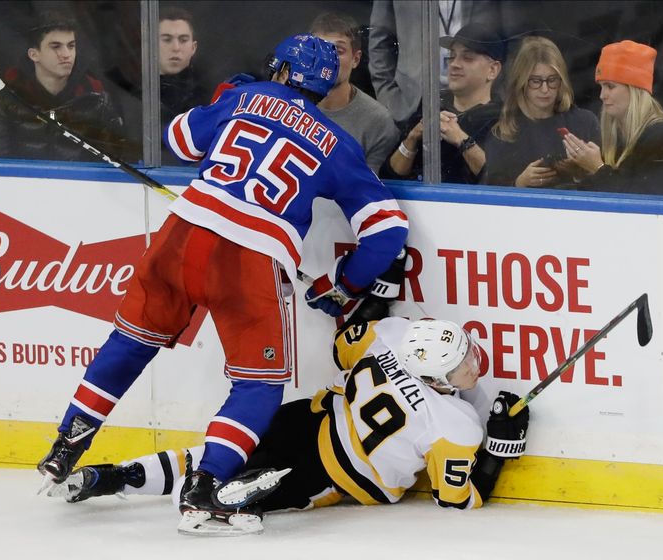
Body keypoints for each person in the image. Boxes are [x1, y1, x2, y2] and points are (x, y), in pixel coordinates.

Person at [37, 34, 409, 535]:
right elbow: (388, 230)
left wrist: (223, 97)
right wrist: (343, 284)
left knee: (130, 342)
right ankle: (205, 488)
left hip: (182, 236)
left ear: (279, 70)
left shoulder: (241, 96)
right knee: (259, 383)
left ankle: (67, 446)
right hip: (250, 259)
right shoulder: (338, 143)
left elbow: (179, 139)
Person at [46, 316, 530, 536]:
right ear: (433, 376)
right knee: (217, 491)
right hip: (338, 475)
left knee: (205, 459)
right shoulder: (457, 425)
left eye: (467, 350)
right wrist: (499, 451)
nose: (473, 362)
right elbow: (458, 500)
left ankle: (113, 477)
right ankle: (227, 499)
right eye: (461, 365)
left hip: (308, 417)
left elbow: (345, 343)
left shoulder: (394, 334)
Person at [561, 40, 663, 197]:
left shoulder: (662, 136)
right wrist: (584, 174)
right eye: (601, 87)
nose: (602, 95)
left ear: (634, 91)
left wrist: (598, 168)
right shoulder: (624, 139)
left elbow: (639, 202)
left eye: (610, 86)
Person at [0, 11, 127, 161]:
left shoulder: (97, 99)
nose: (66, 54)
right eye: (56, 47)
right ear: (34, 54)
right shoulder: (11, 98)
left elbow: (113, 165)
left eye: (71, 46)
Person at [382, 23, 503, 185]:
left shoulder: (505, 120)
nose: (454, 64)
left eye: (467, 58)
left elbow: (502, 183)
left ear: (493, 70)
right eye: (452, 56)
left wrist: (462, 140)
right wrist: (412, 138)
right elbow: (389, 177)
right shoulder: (430, 106)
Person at [483, 36, 600, 188]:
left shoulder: (585, 122)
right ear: (521, 82)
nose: (545, 89)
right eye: (536, 81)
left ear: (562, 80)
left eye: (552, 80)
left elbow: (606, 185)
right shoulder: (503, 134)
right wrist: (518, 184)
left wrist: (579, 174)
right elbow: (490, 199)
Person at [309, 12, 399, 174]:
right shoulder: (288, 104)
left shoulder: (378, 121)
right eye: (319, 48)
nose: (327, 58)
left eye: (338, 50)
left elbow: (370, 190)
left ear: (356, 59)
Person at [157, 7, 207, 141]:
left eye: (183, 40)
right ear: (151, 45)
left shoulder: (209, 99)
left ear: (193, 47)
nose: (176, 48)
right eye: (167, 39)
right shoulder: (133, 93)